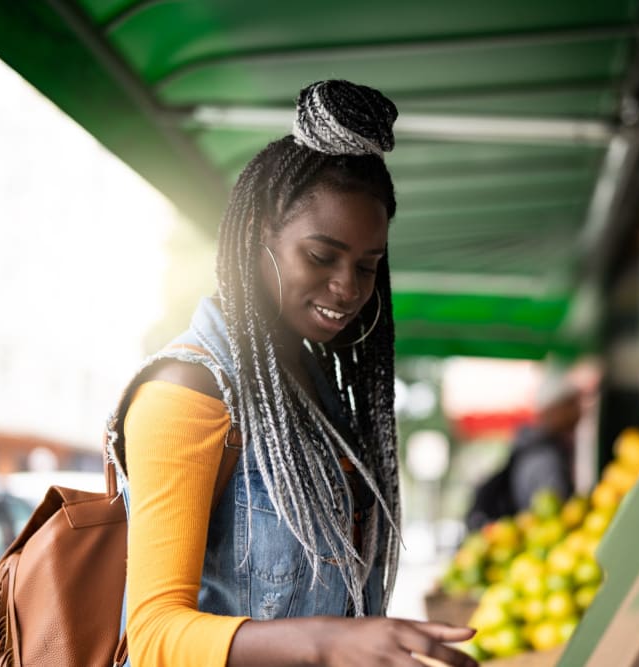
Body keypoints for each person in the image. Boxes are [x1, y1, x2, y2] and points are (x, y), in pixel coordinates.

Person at [106, 80, 477, 667]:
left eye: (368, 265)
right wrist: (331, 644)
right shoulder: (187, 391)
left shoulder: (316, 383)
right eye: (321, 256)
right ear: (259, 235)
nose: (348, 288)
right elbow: (152, 637)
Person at [465, 379, 581, 532]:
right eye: (572, 404)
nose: (579, 410)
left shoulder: (529, 448)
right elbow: (558, 518)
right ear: (555, 408)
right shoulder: (546, 457)